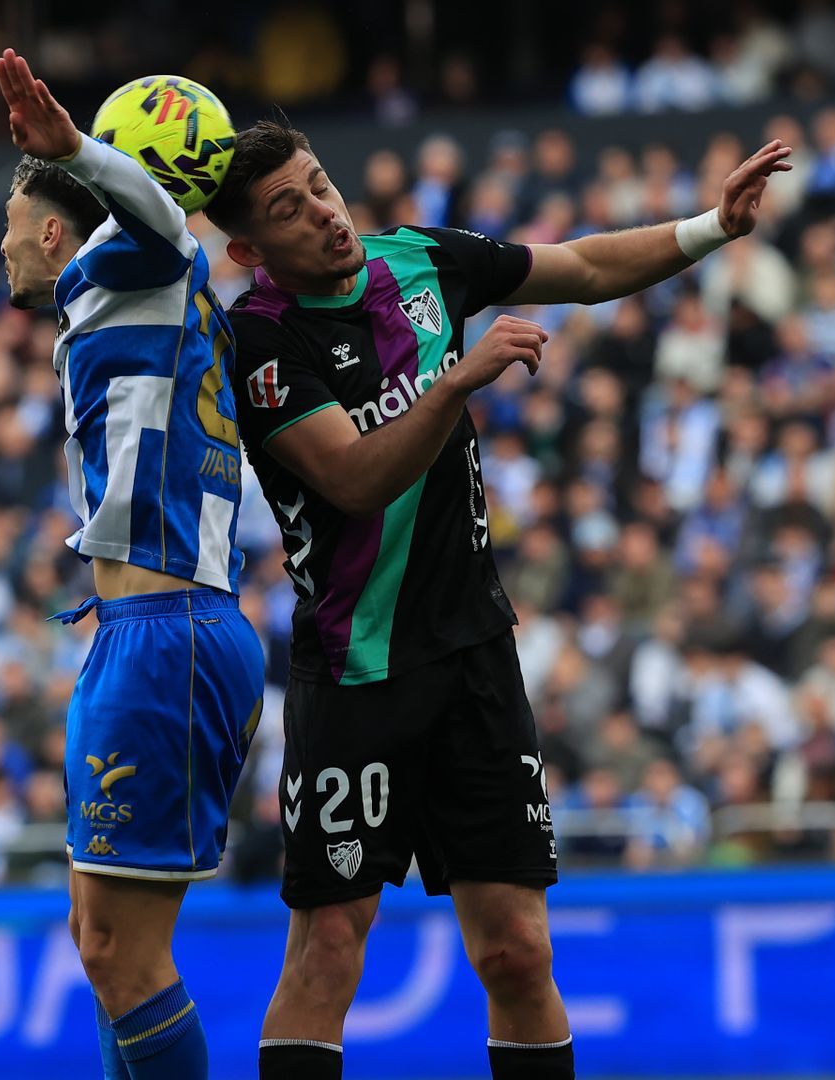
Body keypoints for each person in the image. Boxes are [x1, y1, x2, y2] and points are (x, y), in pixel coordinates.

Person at [202, 119, 788, 1079]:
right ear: (247, 250)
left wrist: (707, 227)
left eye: (319, 185)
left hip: (475, 657)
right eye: (286, 211)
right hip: (357, 673)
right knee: (330, 950)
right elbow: (354, 480)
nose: (322, 213)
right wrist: (459, 378)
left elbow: (586, 268)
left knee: (517, 950)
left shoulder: (422, 259)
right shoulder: (262, 341)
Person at [0, 50, 264, 1080]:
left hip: (168, 632)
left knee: (119, 952)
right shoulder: (128, 304)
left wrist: (73, 150)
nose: (4, 244)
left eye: (14, 222)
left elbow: (161, 222)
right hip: (148, 631)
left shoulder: (131, 264)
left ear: (59, 227)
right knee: (101, 942)